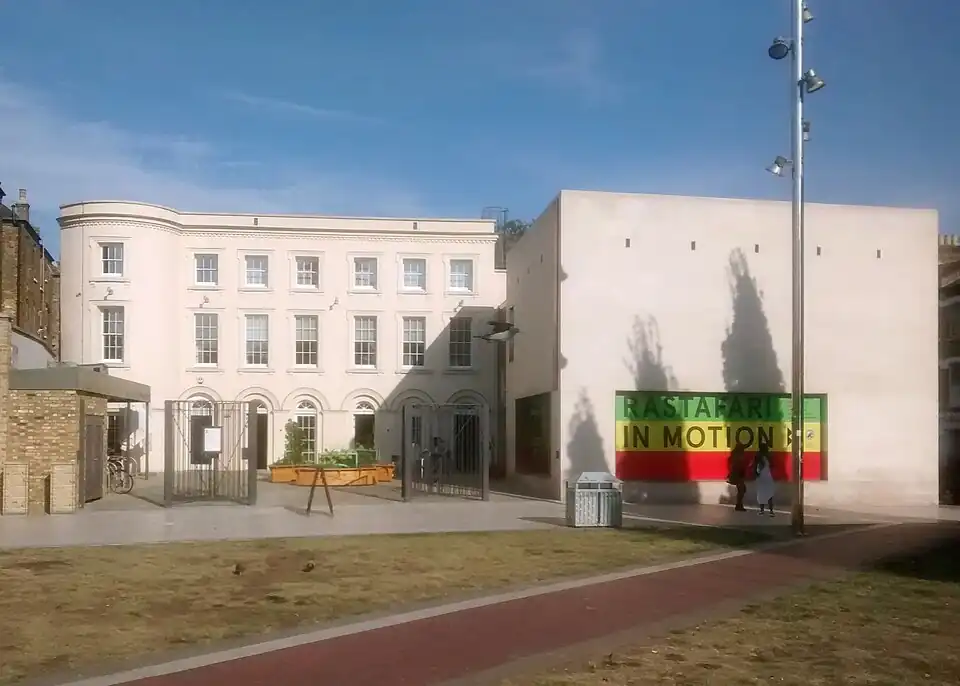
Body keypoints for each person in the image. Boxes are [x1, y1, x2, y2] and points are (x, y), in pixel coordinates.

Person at [754, 441, 776, 516]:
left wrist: (755, 474)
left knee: (761, 494)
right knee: (769, 494)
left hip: (761, 476)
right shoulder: (769, 455)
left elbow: (755, 465)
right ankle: (771, 511)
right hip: (768, 476)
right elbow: (773, 465)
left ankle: (761, 510)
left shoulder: (758, 455)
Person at [727, 442, 749, 511]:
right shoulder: (738, 456)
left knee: (742, 490)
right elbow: (739, 466)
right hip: (738, 475)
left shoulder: (734, 455)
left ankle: (739, 504)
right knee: (742, 490)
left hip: (736, 475)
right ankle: (739, 505)